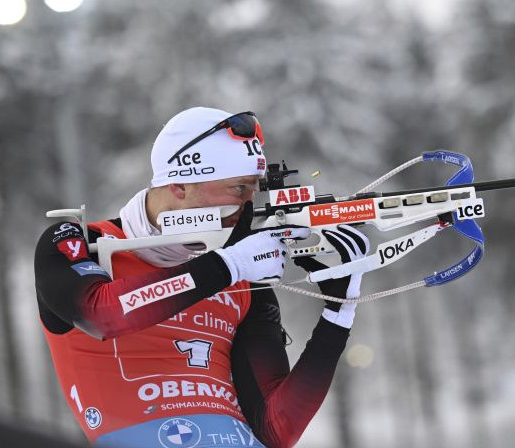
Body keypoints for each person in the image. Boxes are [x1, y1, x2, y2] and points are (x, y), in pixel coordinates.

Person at [34, 107, 369, 448]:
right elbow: (102, 314)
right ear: (179, 185)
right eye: (238, 189)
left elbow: (276, 428)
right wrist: (227, 266)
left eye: (254, 191)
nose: (248, 208)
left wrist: (337, 316)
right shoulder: (80, 242)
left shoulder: (243, 274)